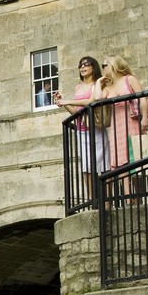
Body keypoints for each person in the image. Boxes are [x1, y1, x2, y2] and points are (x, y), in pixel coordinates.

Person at [56, 56, 107, 199]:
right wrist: (63, 102)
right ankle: (92, 198)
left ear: (93, 67)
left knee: (103, 163)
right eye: (80, 65)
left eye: (86, 64)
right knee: (86, 166)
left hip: (96, 127)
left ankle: (106, 199)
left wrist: (68, 100)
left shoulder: (97, 84)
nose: (82, 67)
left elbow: (91, 101)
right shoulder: (78, 87)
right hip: (81, 129)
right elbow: (76, 112)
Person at [96, 55, 148, 195]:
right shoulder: (109, 87)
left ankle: (139, 195)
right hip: (117, 124)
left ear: (113, 65)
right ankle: (127, 194)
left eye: (104, 65)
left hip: (132, 121)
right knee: (120, 158)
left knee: (134, 156)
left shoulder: (129, 79)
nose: (102, 69)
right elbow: (97, 98)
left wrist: (145, 118)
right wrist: (99, 82)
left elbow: (143, 98)